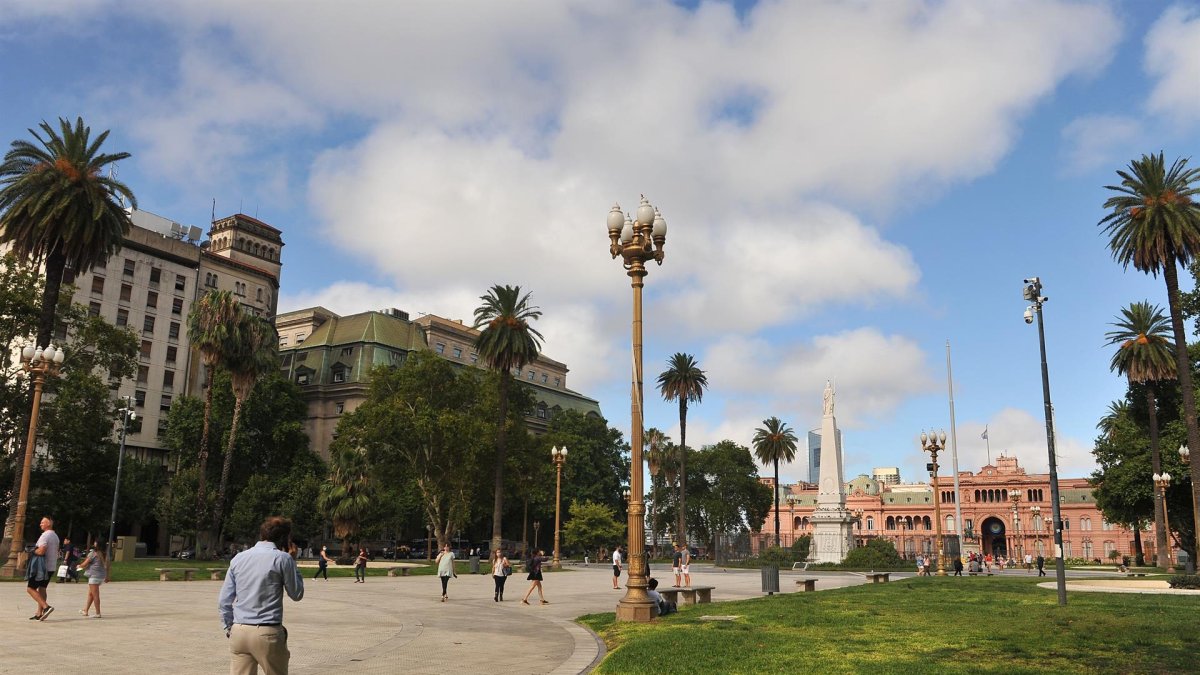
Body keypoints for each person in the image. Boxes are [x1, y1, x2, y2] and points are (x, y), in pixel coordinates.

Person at [218, 516, 304, 675]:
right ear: (284, 538)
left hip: (239, 631)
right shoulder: (282, 558)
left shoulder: (239, 558)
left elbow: (224, 600)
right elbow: (296, 593)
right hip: (267, 632)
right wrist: (293, 562)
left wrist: (229, 628)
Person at [26, 516, 60, 621]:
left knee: (30, 588)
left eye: (42, 522)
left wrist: (32, 551)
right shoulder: (55, 536)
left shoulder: (45, 536)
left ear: (49, 523)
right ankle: (39, 613)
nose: (40, 524)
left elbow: (41, 551)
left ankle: (46, 607)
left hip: (41, 568)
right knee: (42, 588)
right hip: (51, 567)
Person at [78, 542, 110, 617]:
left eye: (95, 542)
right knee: (91, 594)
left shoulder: (93, 553)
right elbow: (108, 566)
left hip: (94, 576)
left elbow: (85, 564)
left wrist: (79, 566)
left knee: (95, 595)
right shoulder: (105, 554)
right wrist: (107, 576)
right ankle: (85, 610)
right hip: (101, 576)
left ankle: (98, 613)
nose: (94, 543)